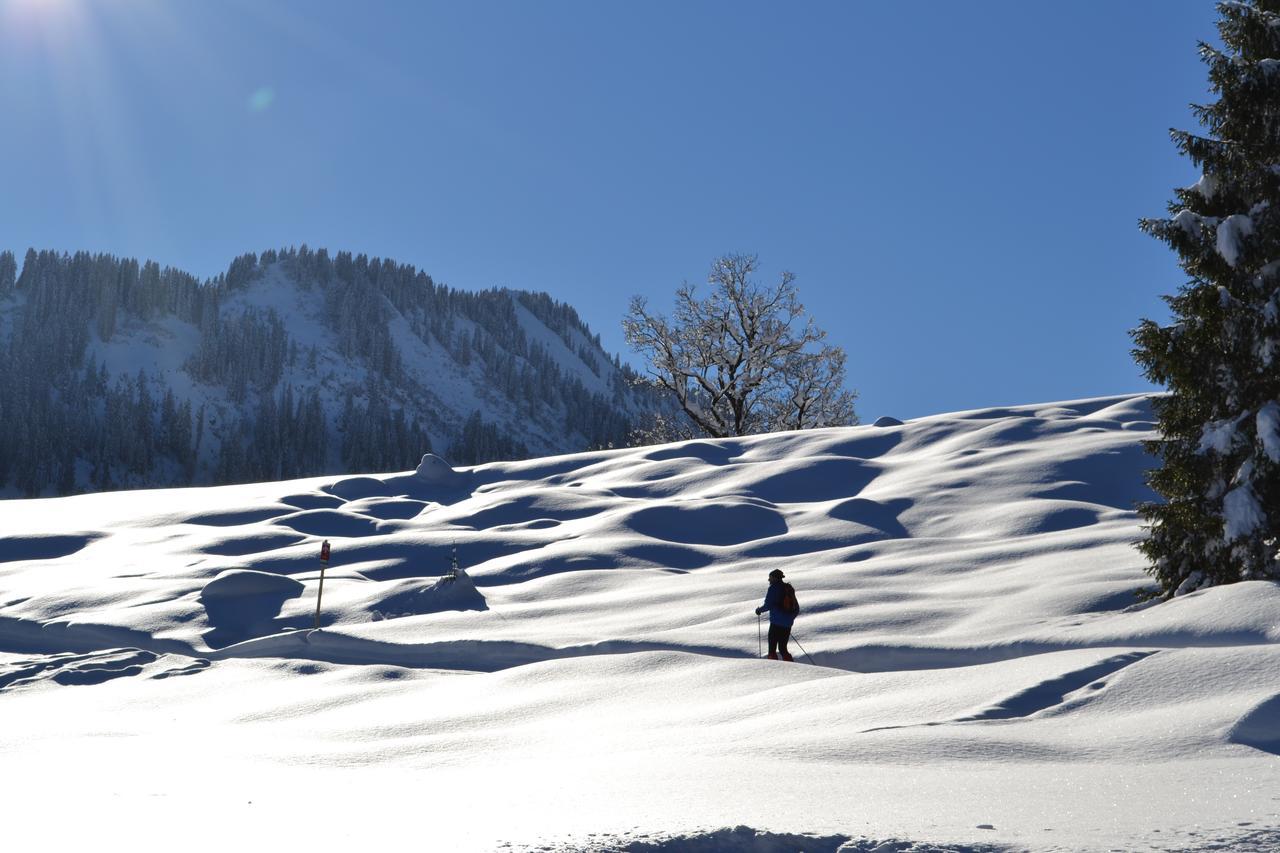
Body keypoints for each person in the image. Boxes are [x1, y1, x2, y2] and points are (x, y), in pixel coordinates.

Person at [755, 568, 797, 661]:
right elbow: (796, 607)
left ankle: (773, 669)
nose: (769, 580)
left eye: (770, 578)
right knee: (783, 648)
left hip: (776, 623)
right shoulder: (788, 588)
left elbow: (768, 605)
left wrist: (759, 610)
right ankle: (791, 667)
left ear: (775, 578)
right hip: (787, 624)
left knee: (772, 649)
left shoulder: (773, 588)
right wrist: (789, 619)